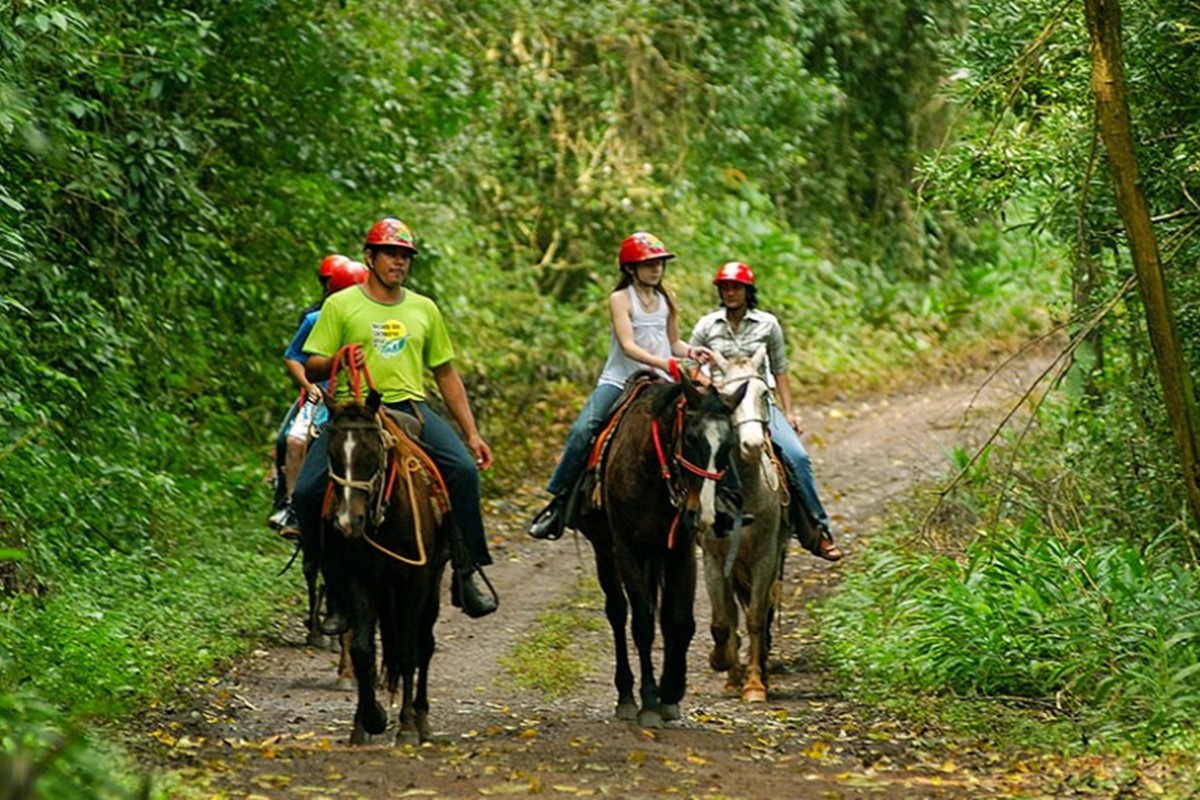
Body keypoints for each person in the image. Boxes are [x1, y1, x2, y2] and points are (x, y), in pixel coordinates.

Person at [292, 217, 498, 625]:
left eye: (404, 256)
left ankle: (465, 570)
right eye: (391, 254)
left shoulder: (424, 309)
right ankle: (332, 591)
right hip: (353, 415)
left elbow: (445, 373)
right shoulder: (341, 305)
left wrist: (472, 433)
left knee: (461, 471)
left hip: (409, 408)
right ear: (370, 257)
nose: (398, 263)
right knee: (308, 491)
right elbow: (311, 365)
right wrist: (338, 360)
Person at [527, 231, 717, 541]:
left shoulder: (667, 297)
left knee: (710, 421)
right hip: (621, 380)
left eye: (659, 263)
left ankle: (723, 497)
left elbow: (673, 342)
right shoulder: (620, 299)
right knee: (582, 431)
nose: (656, 269)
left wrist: (690, 352)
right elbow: (628, 346)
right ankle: (559, 503)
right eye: (648, 264)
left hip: (664, 380)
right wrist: (665, 362)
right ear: (631, 268)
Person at [690, 260, 842, 561]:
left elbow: (781, 369)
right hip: (720, 406)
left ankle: (816, 528)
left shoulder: (768, 324)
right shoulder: (707, 325)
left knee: (796, 456)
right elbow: (690, 367)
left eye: (736, 287)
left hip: (759, 402)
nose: (731, 292)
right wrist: (711, 385)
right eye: (725, 287)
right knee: (692, 453)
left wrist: (789, 411)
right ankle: (689, 522)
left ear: (748, 290)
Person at [269, 258, 369, 539]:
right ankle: (292, 506)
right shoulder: (314, 320)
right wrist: (308, 385)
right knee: (295, 439)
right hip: (321, 393)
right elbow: (294, 357)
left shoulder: (370, 319)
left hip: (358, 396)